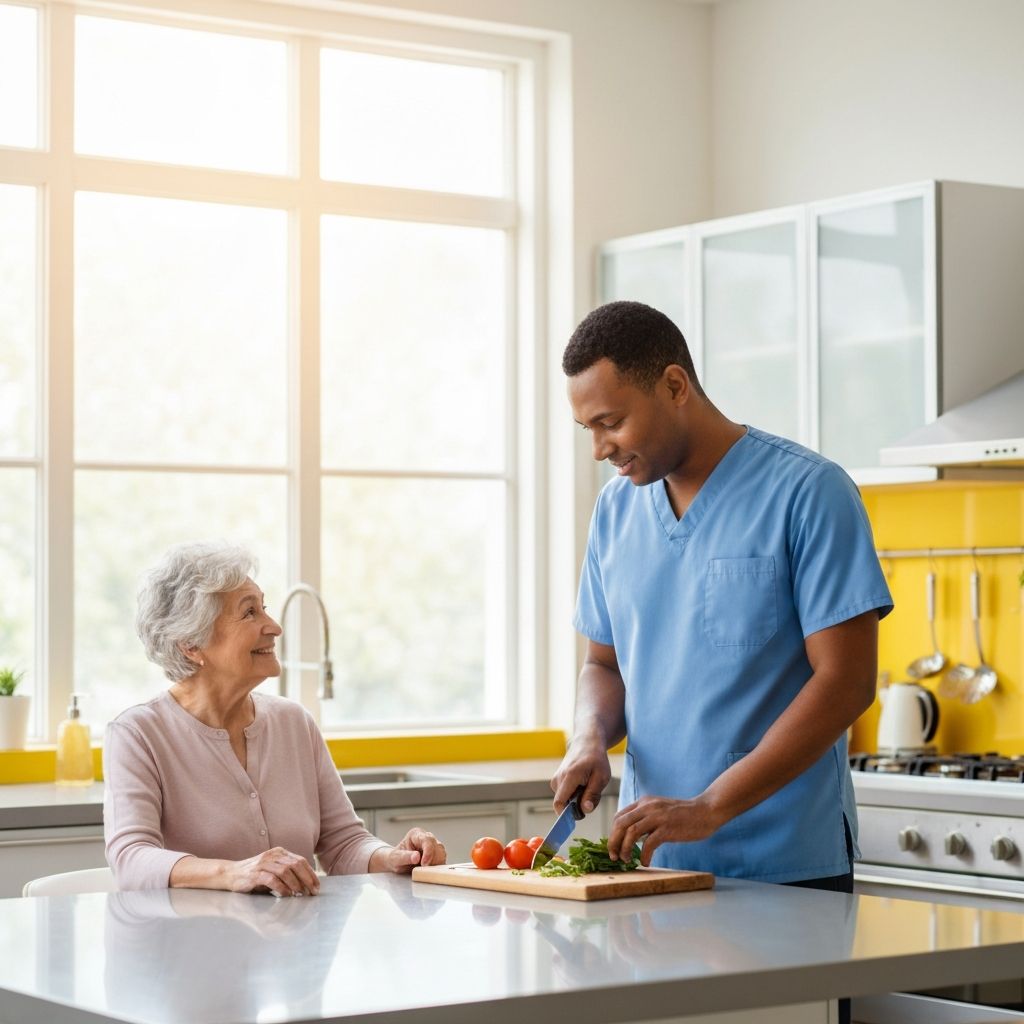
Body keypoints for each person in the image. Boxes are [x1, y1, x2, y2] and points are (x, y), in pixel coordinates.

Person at [551, 300, 893, 892]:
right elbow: (602, 664)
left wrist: (710, 806)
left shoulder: (810, 493)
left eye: (611, 422)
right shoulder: (614, 510)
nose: (599, 449)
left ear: (675, 386)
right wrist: (588, 737)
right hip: (653, 869)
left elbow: (846, 682)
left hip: (787, 870)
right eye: (589, 430)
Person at [104, 541, 446, 895]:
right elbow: (131, 857)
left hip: (298, 942)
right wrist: (234, 873)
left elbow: (343, 843)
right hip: (192, 943)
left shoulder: (294, 722)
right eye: (250, 612)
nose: (274, 627)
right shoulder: (138, 734)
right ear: (191, 643)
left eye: (263, 608)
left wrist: (391, 857)